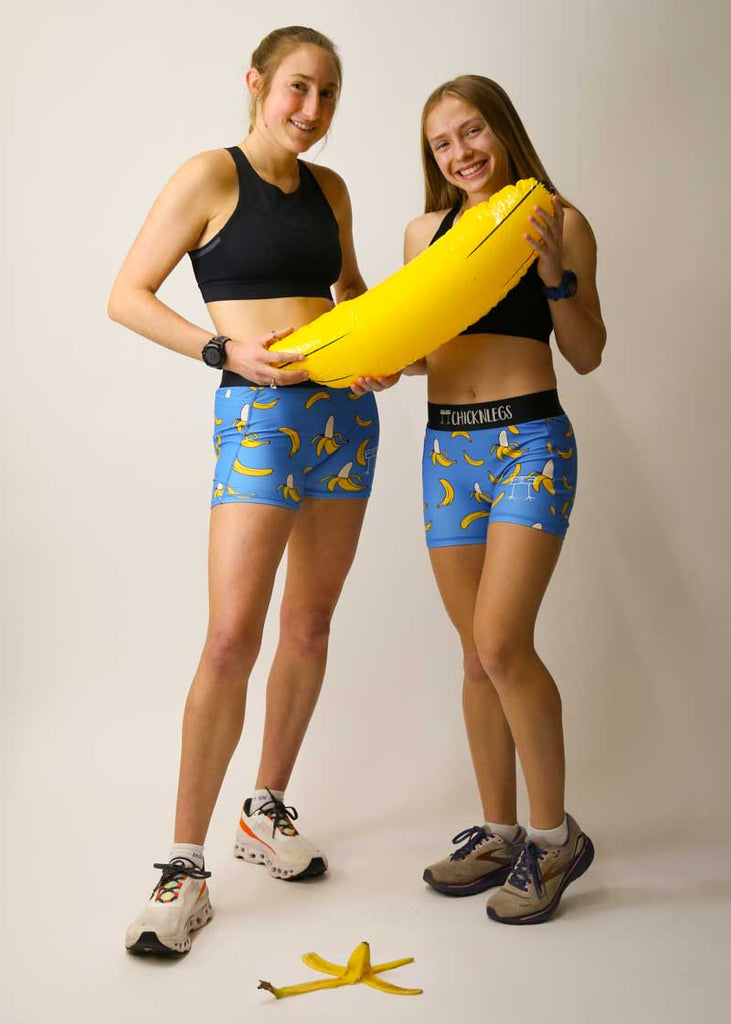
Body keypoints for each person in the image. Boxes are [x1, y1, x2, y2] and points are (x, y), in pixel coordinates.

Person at [108, 25, 396, 956]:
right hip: (260, 423)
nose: (311, 112)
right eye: (297, 90)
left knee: (308, 627)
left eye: (327, 95)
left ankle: (263, 812)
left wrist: (379, 352)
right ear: (257, 85)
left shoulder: (333, 190)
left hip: (344, 423)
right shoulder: (210, 176)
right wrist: (219, 349)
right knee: (232, 636)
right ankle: (184, 867)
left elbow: (349, 295)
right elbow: (128, 293)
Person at [403, 75, 606, 925]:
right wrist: (375, 358)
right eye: (442, 144)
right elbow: (418, 350)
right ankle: (497, 830)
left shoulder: (556, 219)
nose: (459, 153)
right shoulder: (424, 232)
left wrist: (554, 274)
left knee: (500, 638)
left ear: (503, 131)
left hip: (529, 442)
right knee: (472, 651)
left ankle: (553, 840)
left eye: (471, 132)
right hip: (446, 446)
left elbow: (588, 353)